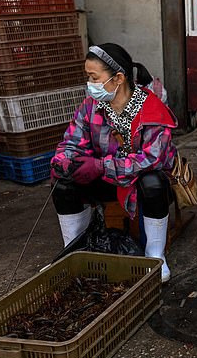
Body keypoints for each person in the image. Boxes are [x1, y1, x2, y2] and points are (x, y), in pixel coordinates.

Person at [50, 43, 177, 282]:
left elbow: (152, 159)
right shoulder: (91, 107)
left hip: (140, 182)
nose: (90, 84)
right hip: (107, 179)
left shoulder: (152, 110)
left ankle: (156, 257)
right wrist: (64, 161)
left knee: (154, 182)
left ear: (118, 78)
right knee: (64, 182)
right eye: (88, 77)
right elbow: (71, 142)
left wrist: (100, 166)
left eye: (94, 77)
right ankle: (74, 252)